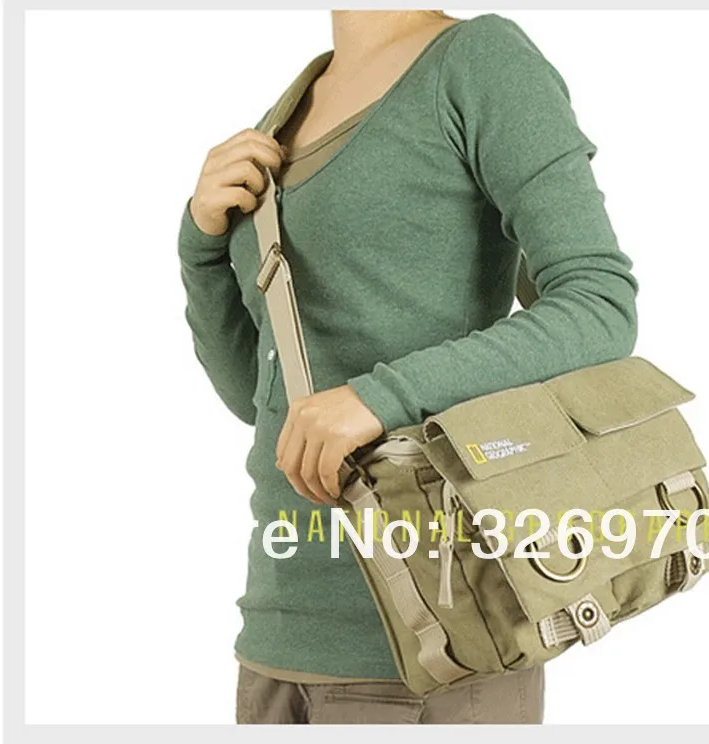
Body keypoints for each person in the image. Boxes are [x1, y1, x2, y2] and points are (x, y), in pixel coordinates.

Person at [178, 9, 638, 724]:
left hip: (438, 642)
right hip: (277, 636)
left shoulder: (479, 61)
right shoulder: (290, 107)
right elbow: (258, 399)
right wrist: (202, 248)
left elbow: (599, 306)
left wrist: (379, 396)